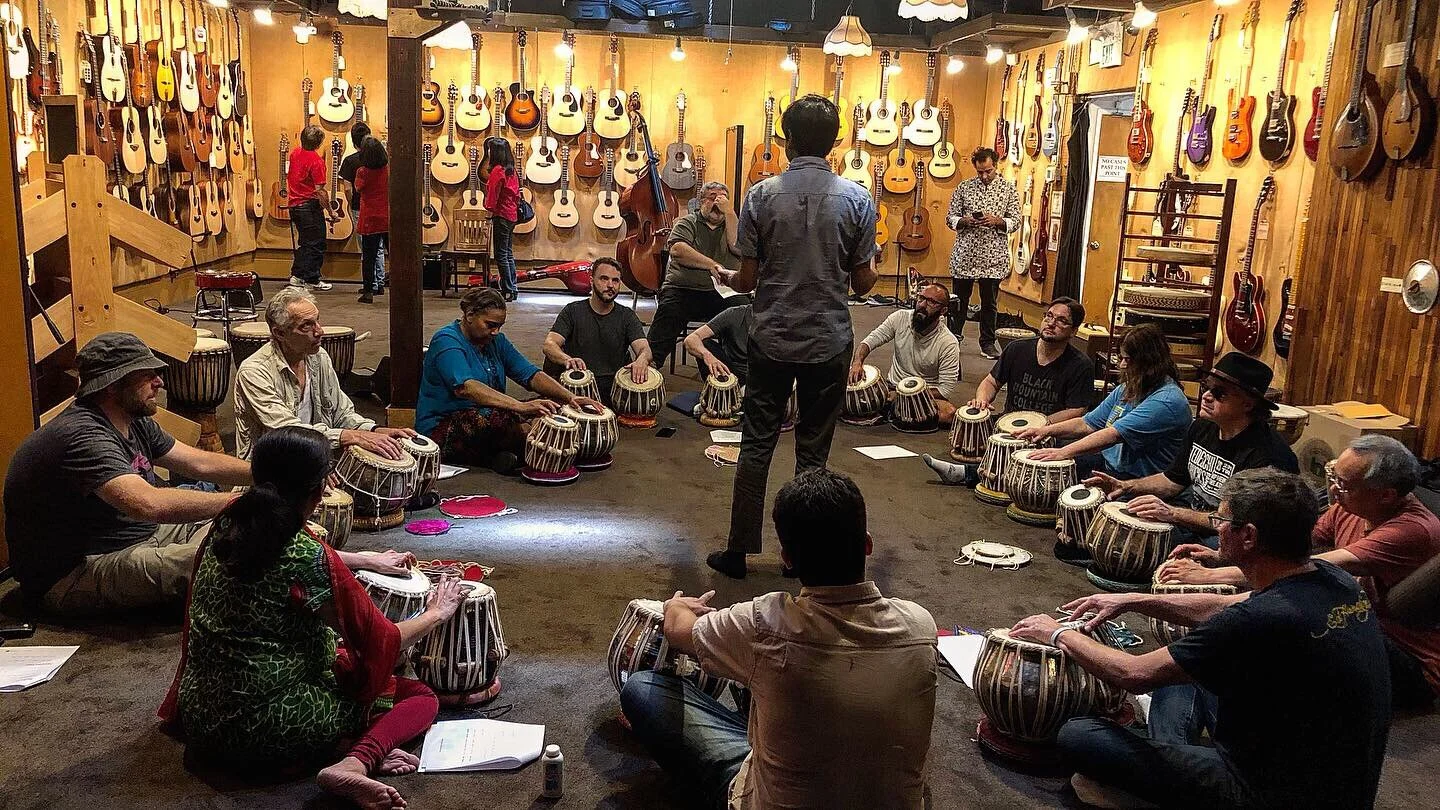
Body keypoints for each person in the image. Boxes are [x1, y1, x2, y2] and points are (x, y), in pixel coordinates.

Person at [1010, 469, 1390, 809]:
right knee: (1189, 667)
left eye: (1221, 520)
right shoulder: (1332, 578)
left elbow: (1134, 674)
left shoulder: (1260, 619)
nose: (1217, 528)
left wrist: (1057, 632)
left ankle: (1171, 776)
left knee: (1079, 735)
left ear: (1249, 535)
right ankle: (1174, 760)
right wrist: (1132, 600)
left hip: (1267, 793)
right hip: (1335, 779)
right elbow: (1222, 606)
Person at [158, 427, 481, 810]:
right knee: (417, 697)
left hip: (200, 716)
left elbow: (284, 548)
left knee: (332, 652)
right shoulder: (309, 558)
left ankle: (339, 746)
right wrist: (436, 613)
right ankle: (355, 761)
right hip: (265, 727)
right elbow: (382, 640)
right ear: (318, 492)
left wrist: (364, 559)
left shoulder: (231, 520)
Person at [621, 469, 936, 809]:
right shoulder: (920, 626)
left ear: (787, 559)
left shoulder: (765, 622)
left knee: (643, 689)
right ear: (868, 544)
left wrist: (675, 605)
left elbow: (678, 630)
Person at [708, 93, 878, 579]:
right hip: (828, 339)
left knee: (756, 443)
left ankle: (738, 551)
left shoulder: (760, 195)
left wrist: (728, 276)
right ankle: (802, 556)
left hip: (771, 337)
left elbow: (747, 280)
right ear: (835, 143)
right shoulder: (858, 199)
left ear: (785, 142)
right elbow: (864, 284)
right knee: (813, 453)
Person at [1158, 435, 1440, 710]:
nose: (1333, 489)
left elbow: (1309, 567)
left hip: (1406, 662)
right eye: (1334, 476)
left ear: (1386, 495)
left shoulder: (1412, 530)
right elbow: (1292, 547)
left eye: (1343, 484)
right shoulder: (1352, 506)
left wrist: (1211, 576)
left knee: (1260, 639)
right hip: (1353, 626)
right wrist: (1224, 553)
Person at [2, 333, 252, 614]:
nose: (159, 382)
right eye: (147, 376)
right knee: (231, 558)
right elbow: (148, 504)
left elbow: (198, 464)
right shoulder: (83, 436)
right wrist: (243, 501)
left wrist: (266, 474)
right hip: (72, 573)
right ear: (111, 385)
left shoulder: (130, 418)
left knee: (247, 531)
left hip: (137, 537)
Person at [1083, 352, 1296, 552]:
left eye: (1219, 393)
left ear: (1248, 404)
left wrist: (1172, 513)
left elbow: (1234, 522)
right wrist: (1125, 486)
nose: (1207, 396)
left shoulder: (1268, 457)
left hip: (1233, 537)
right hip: (1193, 518)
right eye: (1206, 387)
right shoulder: (1203, 427)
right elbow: (1172, 480)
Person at [417, 288, 601, 474]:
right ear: (470, 315)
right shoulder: (446, 340)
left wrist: (570, 397)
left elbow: (529, 374)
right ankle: (522, 448)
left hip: (492, 415)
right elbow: (466, 387)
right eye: (490, 325)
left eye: (499, 326)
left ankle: (507, 453)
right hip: (444, 425)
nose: (495, 331)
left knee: (553, 405)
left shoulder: (496, 341)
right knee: (498, 419)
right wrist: (520, 407)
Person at [235, 287, 415, 462]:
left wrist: (374, 430)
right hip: (268, 470)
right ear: (279, 333)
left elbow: (341, 413)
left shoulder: (318, 357)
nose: (319, 331)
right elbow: (290, 433)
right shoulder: (254, 372)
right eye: (306, 326)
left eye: (317, 321)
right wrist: (353, 436)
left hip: (313, 459)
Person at [1019, 323, 1191, 479]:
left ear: (1149, 362)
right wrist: (1045, 430)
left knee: (1059, 466)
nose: (1122, 365)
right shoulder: (1128, 387)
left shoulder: (1166, 401)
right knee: (1045, 463)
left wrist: (1062, 453)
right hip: (1109, 464)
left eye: (1128, 360)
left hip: (1137, 479)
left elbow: (1112, 435)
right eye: (1121, 358)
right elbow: (1087, 424)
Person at [648, 181, 750, 368]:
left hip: (723, 293)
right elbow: (677, 249)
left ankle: (737, 367)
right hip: (684, 289)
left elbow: (738, 247)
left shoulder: (733, 224)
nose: (717, 202)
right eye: (712, 197)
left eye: (722, 199)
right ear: (701, 201)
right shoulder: (688, 222)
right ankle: (650, 364)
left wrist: (729, 213)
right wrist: (712, 265)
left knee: (743, 312)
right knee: (669, 310)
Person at [541, 257, 653, 403]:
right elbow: (549, 345)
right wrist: (567, 359)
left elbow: (644, 348)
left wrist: (642, 360)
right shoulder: (572, 311)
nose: (610, 285)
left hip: (613, 387)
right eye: (604, 279)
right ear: (591, 281)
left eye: (615, 280)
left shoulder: (627, 315)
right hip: (578, 386)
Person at [849, 283, 961, 426]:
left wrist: (903, 395)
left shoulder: (948, 343)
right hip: (892, 387)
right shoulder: (900, 318)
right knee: (848, 384)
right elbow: (868, 342)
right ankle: (901, 413)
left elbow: (945, 390)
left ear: (943, 310)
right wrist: (857, 363)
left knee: (948, 413)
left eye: (931, 302)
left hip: (924, 395)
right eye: (921, 298)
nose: (922, 305)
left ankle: (891, 410)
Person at [945, 147, 1020, 359]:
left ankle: (987, 343)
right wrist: (964, 220)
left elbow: (1016, 220)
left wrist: (998, 221)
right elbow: (950, 217)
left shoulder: (1008, 189)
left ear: (996, 165)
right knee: (959, 301)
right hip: (965, 253)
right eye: (980, 172)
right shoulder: (964, 187)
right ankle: (951, 340)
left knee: (989, 303)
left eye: (988, 171)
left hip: (993, 255)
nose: (984, 176)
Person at [971, 297, 1094, 420]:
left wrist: (1039, 424)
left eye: (1061, 320)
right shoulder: (1016, 348)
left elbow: (1076, 410)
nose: (1051, 323)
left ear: (1073, 331)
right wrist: (982, 400)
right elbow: (991, 382)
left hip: (1050, 428)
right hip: (1009, 422)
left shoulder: (1081, 365)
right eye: (1049, 316)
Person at [287, 124, 335, 291]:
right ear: (319, 142)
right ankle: (308, 278)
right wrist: (331, 211)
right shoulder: (317, 162)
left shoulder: (295, 153)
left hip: (294, 205)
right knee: (316, 243)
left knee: (306, 243)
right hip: (309, 205)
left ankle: (300, 276)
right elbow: (320, 191)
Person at [484, 136, 521, 301]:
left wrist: (488, 214)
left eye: (490, 150)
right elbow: (517, 194)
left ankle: (508, 289)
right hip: (512, 215)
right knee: (508, 254)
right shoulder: (511, 170)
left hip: (501, 215)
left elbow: (493, 196)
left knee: (501, 255)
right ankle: (512, 288)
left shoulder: (497, 171)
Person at [352, 136, 389, 303]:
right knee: (393, 255)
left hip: (369, 217)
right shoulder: (388, 169)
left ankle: (368, 291)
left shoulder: (362, 172)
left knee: (369, 257)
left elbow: (358, 188)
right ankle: (387, 285)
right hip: (387, 216)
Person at [684, 304, 753, 385]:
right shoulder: (735, 313)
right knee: (705, 344)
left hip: (762, 377)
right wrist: (707, 356)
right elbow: (691, 339)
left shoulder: (766, 322)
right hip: (733, 374)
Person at [336, 121, 369, 214]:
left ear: (353, 141)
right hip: (377, 205)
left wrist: (351, 205)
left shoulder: (349, 161)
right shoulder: (380, 158)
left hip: (358, 206)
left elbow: (348, 189)